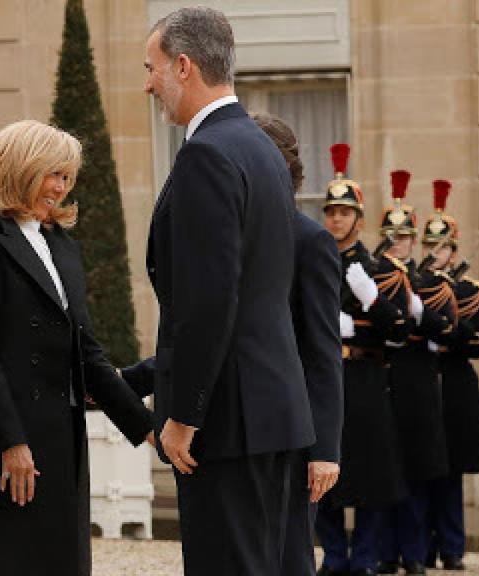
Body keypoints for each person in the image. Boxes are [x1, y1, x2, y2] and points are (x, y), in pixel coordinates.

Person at [135, 7, 314, 574]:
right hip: (273, 409)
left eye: (151, 67)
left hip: (229, 419)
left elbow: (208, 301)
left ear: (183, 66)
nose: (147, 83)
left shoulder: (207, 154)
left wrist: (183, 416)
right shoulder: (260, 146)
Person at [0, 120, 154, 576]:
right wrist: (12, 442)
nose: (59, 187)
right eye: (51, 174)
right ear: (18, 169)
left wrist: (150, 430)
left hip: (60, 434)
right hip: (1, 437)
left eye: (65, 176)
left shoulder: (64, 246)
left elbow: (87, 353)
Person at [253, 114, 344, 576]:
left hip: (294, 431)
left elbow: (323, 350)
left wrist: (325, 449)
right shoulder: (235, 236)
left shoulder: (311, 241)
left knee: (288, 557)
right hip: (242, 430)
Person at [314, 144, 409, 576]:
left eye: (345, 212)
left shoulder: (381, 268)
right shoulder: (311, 261)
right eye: (331, 211)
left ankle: (365, 557)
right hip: (323, 374)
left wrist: (370, 305)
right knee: (323, 471)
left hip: (366, 376)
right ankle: (334, 555)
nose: (336, 218)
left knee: (368, 473)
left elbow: (400, 331)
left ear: (359, 218)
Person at [377, 172, 454, 576]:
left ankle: (415, 552)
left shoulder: (427, 281)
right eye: (391, 237)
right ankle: (386, 552)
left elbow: (446, 328)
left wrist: (417, 310)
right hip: (384, 378)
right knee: (385, 472)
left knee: (418, 473)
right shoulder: (372, 276)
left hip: (418, 381)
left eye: (404, 237)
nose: (398, 244)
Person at [421, 179, 479, 571]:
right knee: (422, 471)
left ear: (454, 249)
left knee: (450, 472)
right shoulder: (412, 286)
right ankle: (420, 547)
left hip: (453, 385)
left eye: (443, 247)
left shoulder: (470, 291)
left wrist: (443, 327)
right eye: (429, 247)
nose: (436, 254)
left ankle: (451, 546)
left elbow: (477, 344)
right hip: (422, 382)